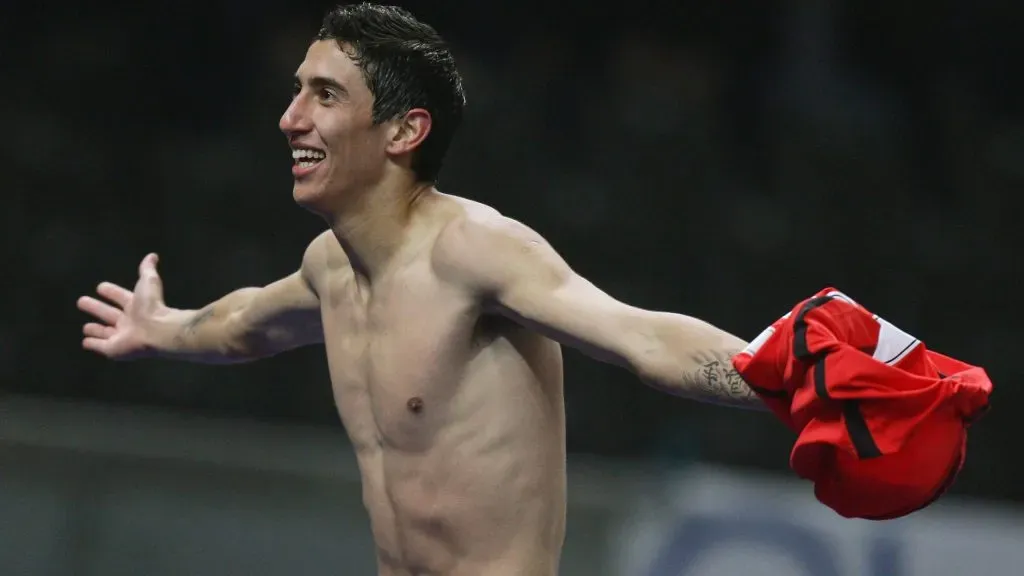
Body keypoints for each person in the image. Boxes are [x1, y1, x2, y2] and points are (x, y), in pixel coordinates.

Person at [77, 4, 762, 575]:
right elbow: (245, 322)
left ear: (405, 130)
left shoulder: (474, 249)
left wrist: (779, 378)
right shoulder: (330, 267)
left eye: (326, 95)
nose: (291, 119)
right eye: (297, 90)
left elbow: (639, 335)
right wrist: (160, 328)